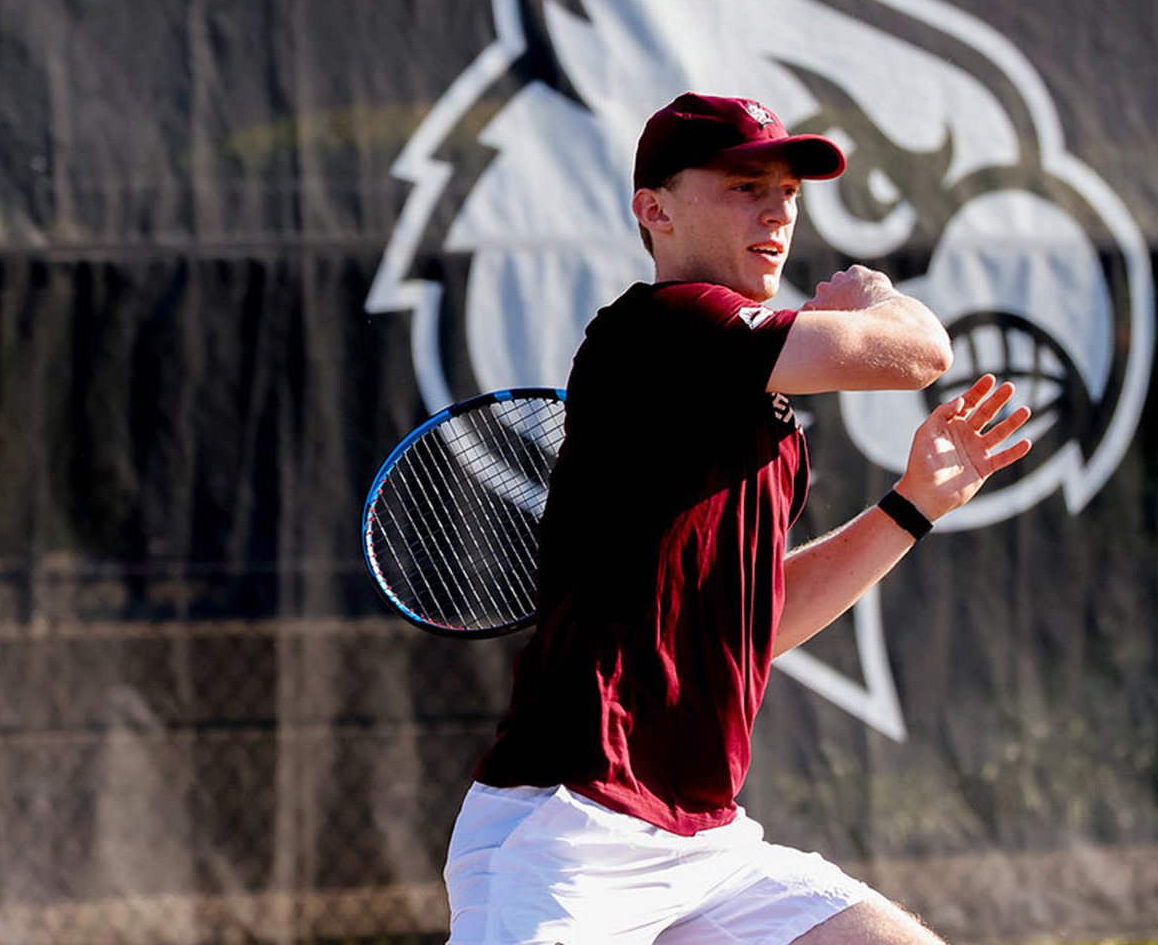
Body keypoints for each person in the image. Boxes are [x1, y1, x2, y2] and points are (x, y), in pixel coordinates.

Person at [442, 92, 1033, 945]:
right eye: (744, 185)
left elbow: (760, 623)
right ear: (655, 210)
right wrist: (871, 294)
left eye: (788, 192)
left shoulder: (770, 421)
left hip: (707, 846)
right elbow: (921, 354)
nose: (778, 210)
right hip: (565, 833)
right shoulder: (660, 326)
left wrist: (911, 508)